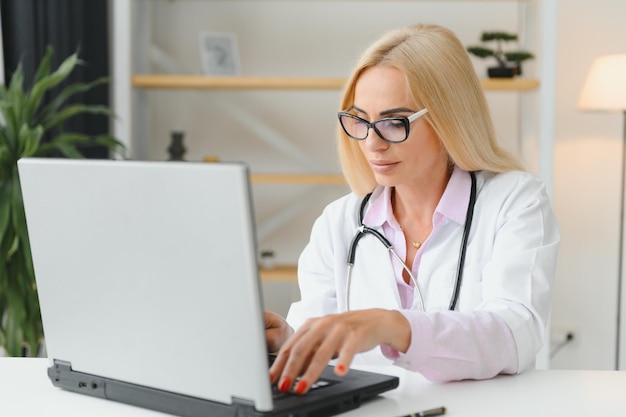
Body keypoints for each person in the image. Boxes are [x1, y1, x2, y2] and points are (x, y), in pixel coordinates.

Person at [265, 23, 559, 395]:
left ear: (448, 118)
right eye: (359, 120)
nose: (372, 143)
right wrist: (289, 341)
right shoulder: (339, 222)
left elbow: (516, 333)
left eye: (393, 122)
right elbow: (321, 333)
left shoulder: (515, 201)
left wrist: (394, 327)